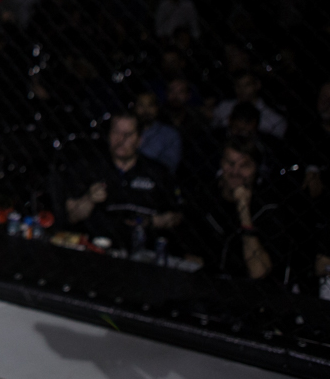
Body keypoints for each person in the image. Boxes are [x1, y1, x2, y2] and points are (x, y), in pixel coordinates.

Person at [61, 114, 182, 253]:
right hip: (98, 247)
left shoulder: (158, 172)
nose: (121, 139)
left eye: (128, 134)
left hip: (146, 249)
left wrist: (151, 221)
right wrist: (89, 198)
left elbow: (177, 216)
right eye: (116, 133)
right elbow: (71, 216)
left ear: (139, 140)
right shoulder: (88, 167)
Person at [179, 137, 292, 280]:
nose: (235, 172)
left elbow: (259, 272)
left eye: (244, 166)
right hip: (202, 282)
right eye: (230, 164)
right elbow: (187, 257)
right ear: (221, 163)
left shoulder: (268, 208)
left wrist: (244, 211)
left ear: (256, 169)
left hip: (248, 289)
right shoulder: (203, 197)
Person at [212, 71, 287, 139]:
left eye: (247, 85)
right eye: (238, 85)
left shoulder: (275, 118)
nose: (242, 90)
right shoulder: (223, 108)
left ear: (257, 85)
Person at [136, 90, 182, 175]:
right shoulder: (126, 131)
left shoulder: (170, 134)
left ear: (157, 108)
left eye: (150, 105)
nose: (146, 110)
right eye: (141, 105)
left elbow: (169, 166)